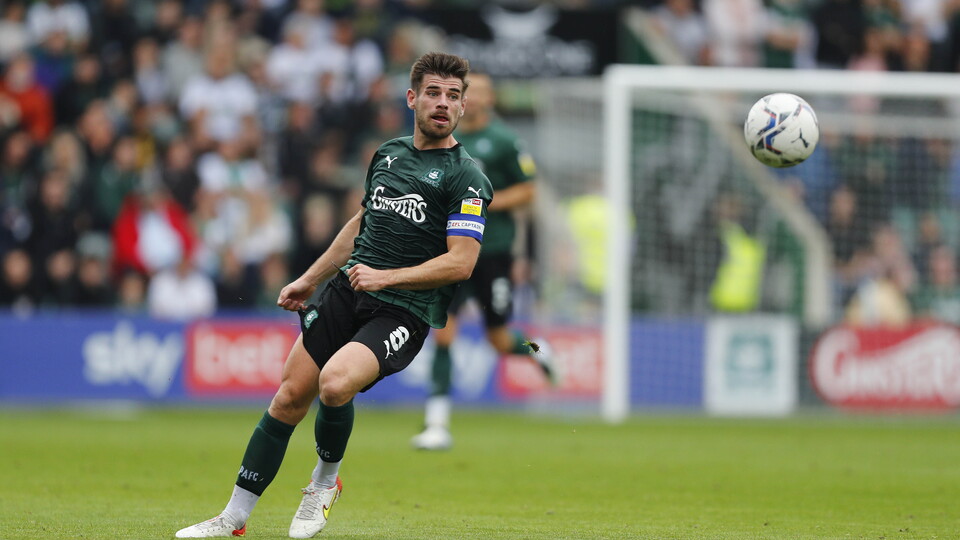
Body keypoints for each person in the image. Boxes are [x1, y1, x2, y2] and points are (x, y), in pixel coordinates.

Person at [175, 52, 495, 539]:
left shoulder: (466, 177)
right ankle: (233, 517)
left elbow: (461, 262)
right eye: (433, 92)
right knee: (288, 398)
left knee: (335, 383)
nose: (443, 103)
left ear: (463, 107)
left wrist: (386, 278)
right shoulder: (387, 154)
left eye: (453, 96)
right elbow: (361, 223)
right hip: (349, 290)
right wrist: (310, 278)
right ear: (412, 98)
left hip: (404, 310)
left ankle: (324, 484)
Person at [410, 72, 556, 452]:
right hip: (451, 251)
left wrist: (482, 199)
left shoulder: (506, 141)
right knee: (443, 329)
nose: (471, 100)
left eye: (479, 93)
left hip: (493, 252)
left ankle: (538, 349)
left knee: (499, 340)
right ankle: (437, 422)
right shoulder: (444, 138)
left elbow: (527, 190)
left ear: (490, 100)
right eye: (467, 93)